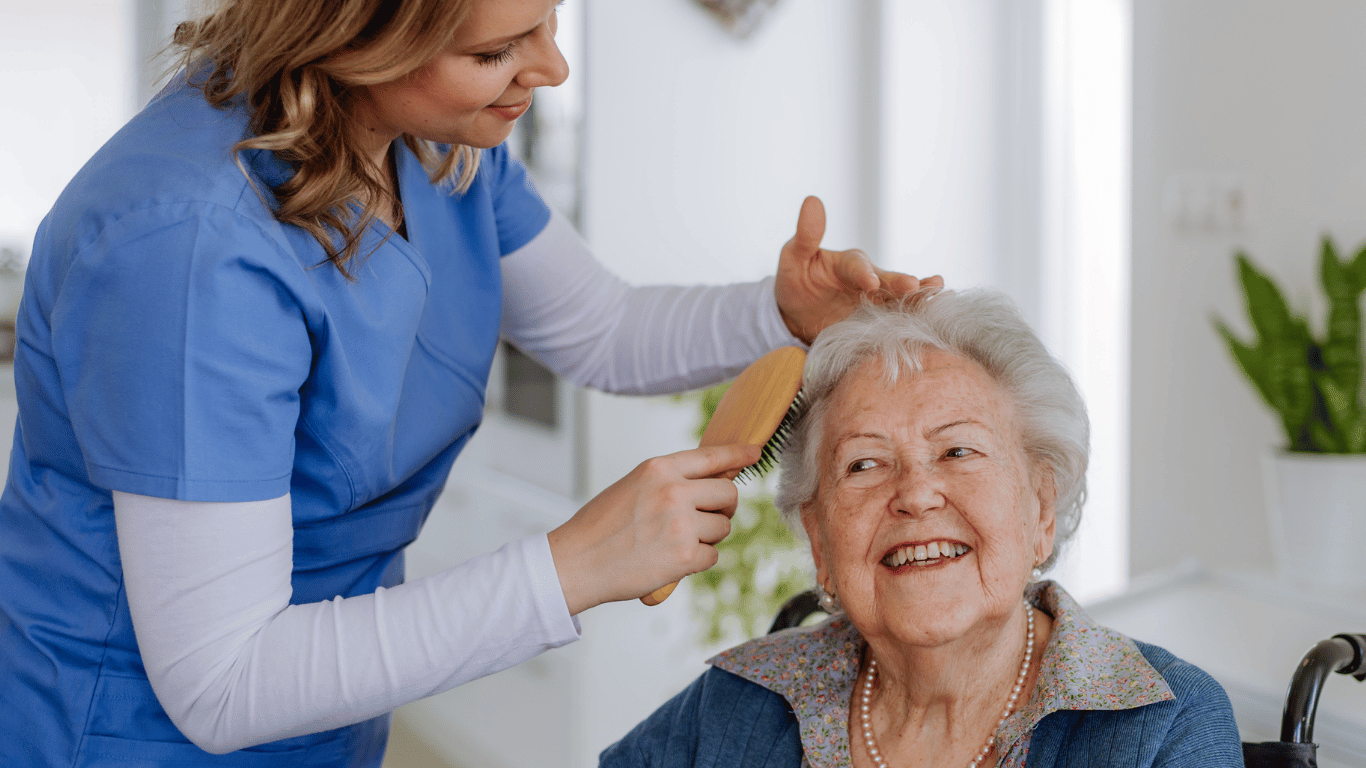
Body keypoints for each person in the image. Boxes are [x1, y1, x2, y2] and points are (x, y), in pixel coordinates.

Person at [0, 0, 942, 765]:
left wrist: (779, 313)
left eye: (550, 20)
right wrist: (573, 565)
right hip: (130, 735)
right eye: (498, 49)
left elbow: (603, 330)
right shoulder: (184, 249)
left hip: (329, 713)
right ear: (358, 32)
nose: (551, 68)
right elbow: (223, 681)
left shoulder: (430, 141)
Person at [600, 290, 1245, 767]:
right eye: (865, 464)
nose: (914, 494)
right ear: (821, 541)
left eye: (958, 452)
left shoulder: (1160, 722)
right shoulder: (735, 706)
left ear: (1041, 507)